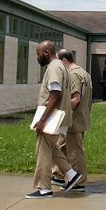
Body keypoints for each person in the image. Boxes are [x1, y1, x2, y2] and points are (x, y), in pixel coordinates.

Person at [25, 41, 81, 198]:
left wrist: (43, 120)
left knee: (42, 150)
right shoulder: (60, 66)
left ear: (47, 52)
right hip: (59, 116)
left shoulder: (54, 67)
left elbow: (55, 95)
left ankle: (44, 188)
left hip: (53, 118)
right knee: (51, 147)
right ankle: (71, 175)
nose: (37, 57)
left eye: (38, 54)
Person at [57, 48, 91, 190]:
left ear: (64, 60)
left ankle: (79, 182)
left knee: (75, 152)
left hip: (74, 121)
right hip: (78, 119)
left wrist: (60, 110)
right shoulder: (84, 72)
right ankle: (57, 175)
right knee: (59, 147)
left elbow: (75, 99)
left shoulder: (73, 74)